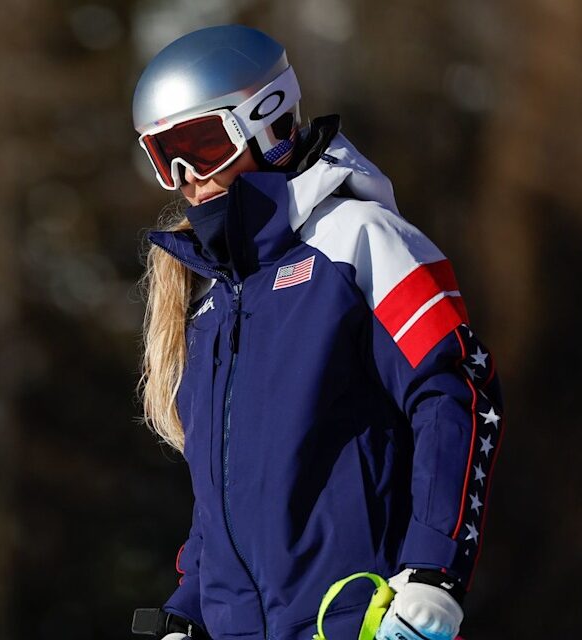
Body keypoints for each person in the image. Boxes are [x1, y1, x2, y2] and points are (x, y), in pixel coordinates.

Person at [131, 25, 504, 640]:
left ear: (267, 120)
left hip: (355, 618)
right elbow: (223, 493)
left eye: (199, 145)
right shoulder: (208, 301)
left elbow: (459, 392)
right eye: (161, 155)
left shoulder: (359, 242)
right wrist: (189, 611)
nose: (186, 176)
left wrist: (435, 572)